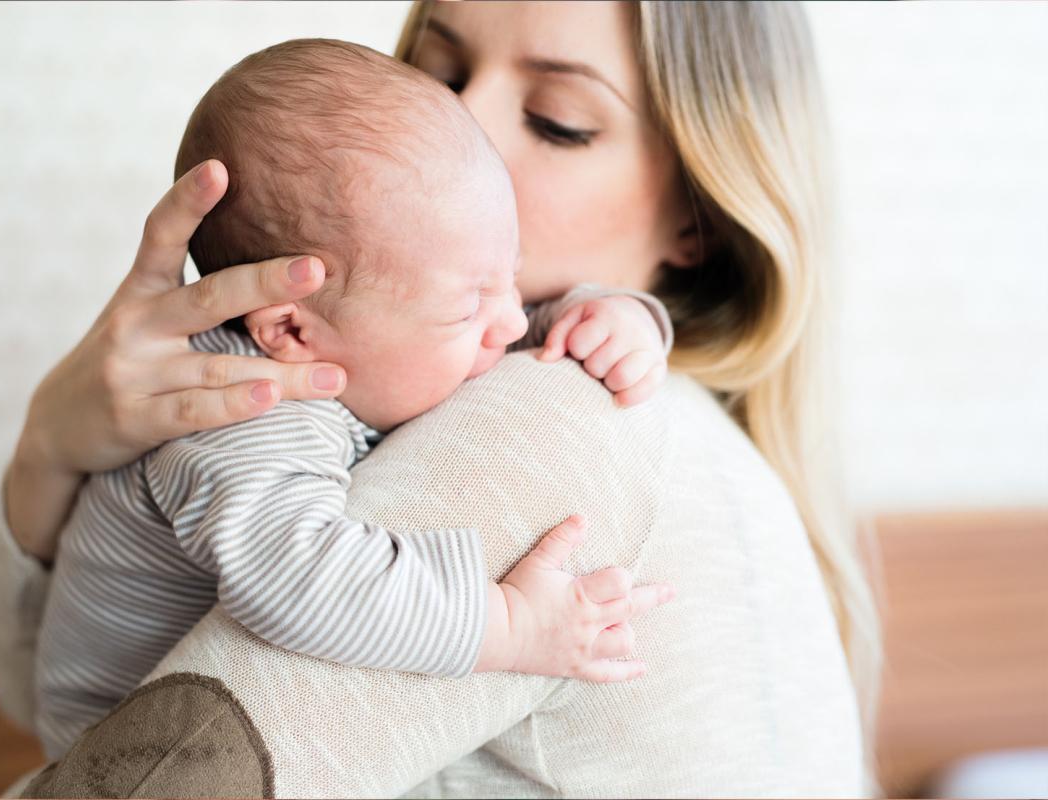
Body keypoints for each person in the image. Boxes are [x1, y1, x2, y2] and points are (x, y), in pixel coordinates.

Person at [0, 2, 882, 796]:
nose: (461, 124)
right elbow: (63, 701)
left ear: (697, 216)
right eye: (440, 69)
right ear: (292, 326)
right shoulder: (282, 405)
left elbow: (133, 762)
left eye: (557, 119)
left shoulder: (551, 419)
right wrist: (54, 444)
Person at [33, 38, 674, 759]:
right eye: (469, 307)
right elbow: (301, 580)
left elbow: (500, 322)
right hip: (128, 744)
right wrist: (509, 624)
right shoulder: (243, 414)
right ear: (291, 330)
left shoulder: (387, 320)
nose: (513, 321)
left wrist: (612, 317)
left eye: (512, 275)